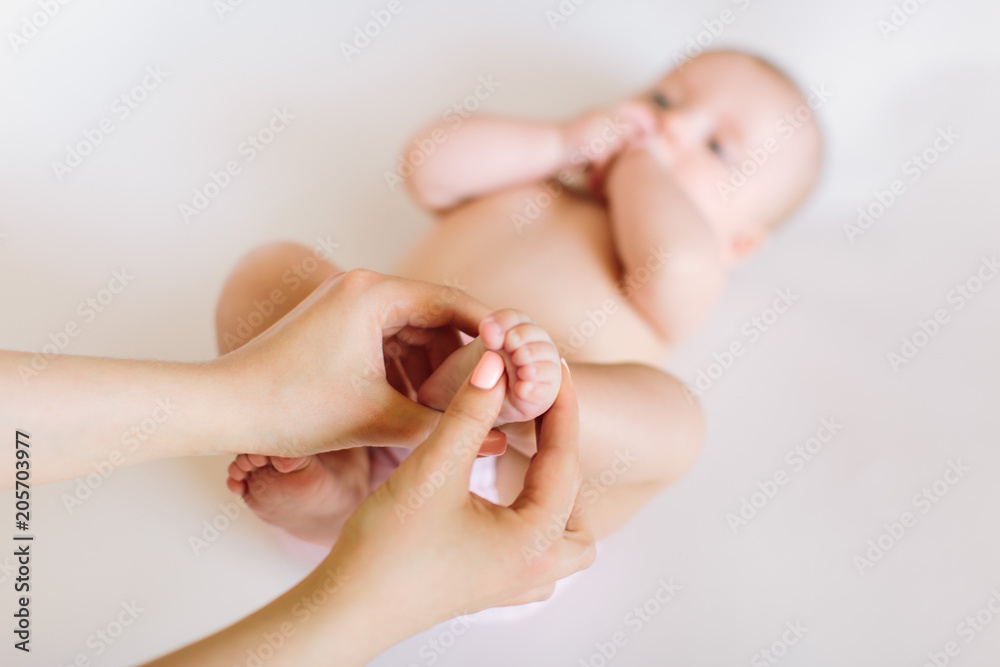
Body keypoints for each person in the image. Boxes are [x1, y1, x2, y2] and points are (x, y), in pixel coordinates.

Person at [221, 49, 821, 546]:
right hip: (369, 397)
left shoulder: (684, 263)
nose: (672, 126)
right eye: (665, 100)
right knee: (270, 270)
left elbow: (678, 263)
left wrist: (638, 163)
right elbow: (429, 162)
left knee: (678, 423)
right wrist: (562, 142)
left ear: (738, 243)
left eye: (717, 148)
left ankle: (523, 397)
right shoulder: (538, 174)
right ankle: (338, 484)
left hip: (508, 486)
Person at [147, 356, 593, 666]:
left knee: (266, 269)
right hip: (391, 428)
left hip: (498, 522)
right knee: (269, 271)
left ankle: (342, 505)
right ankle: (345, 498)